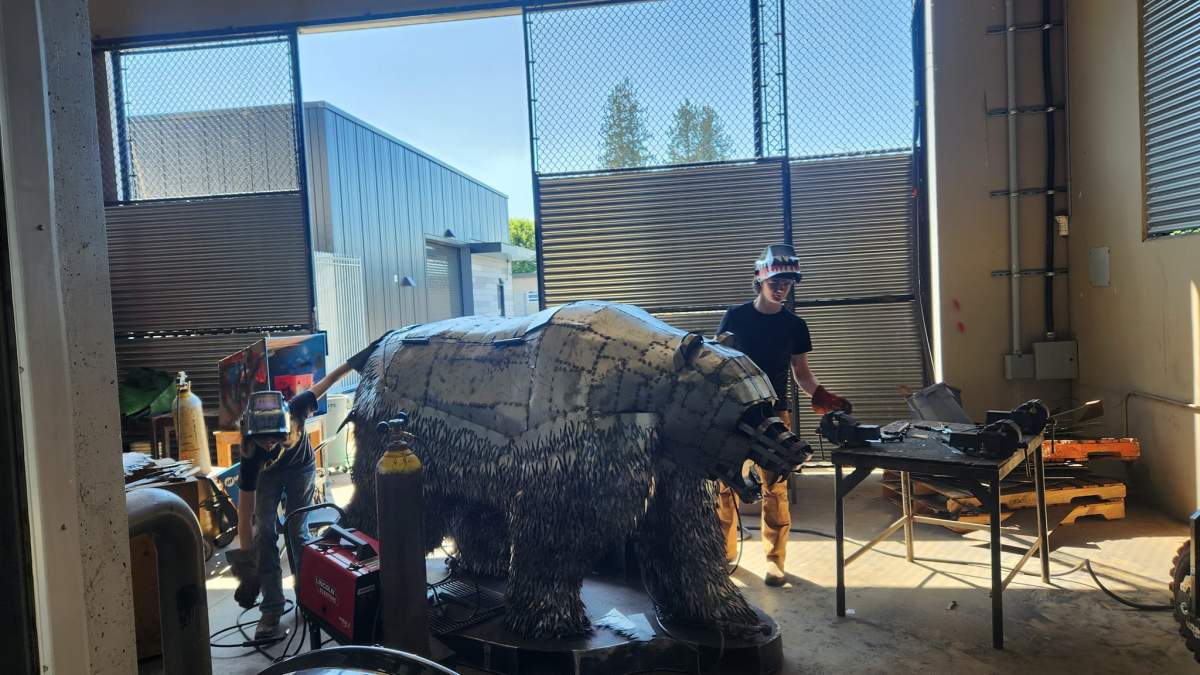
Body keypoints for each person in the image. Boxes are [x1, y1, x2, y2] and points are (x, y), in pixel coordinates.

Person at [227, 338, 383, 640]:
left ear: (290, 424)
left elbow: (332, 377)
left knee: (297, 531)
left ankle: (307, 597)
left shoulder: (298, 407)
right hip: (268, 476)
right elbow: (245, 515)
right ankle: (271, 610)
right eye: (263, 442)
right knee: (265, 535)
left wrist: (364, 356)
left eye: (275, 439)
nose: (269, 445)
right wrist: (248, 565)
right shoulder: (251, 454)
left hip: (300, 468)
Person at [714, 244, 851, 587]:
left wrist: (820, 394)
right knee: (724, 486)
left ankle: (775, 561)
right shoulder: (735, 317)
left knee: (775, 487)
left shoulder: (795, 325)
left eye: (788, 282)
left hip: (774, 416)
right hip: (734, 412)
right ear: (759, 279)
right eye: (776, 280)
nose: (782, 287)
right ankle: (723, 553)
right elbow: (718, 361)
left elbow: (801, 372)